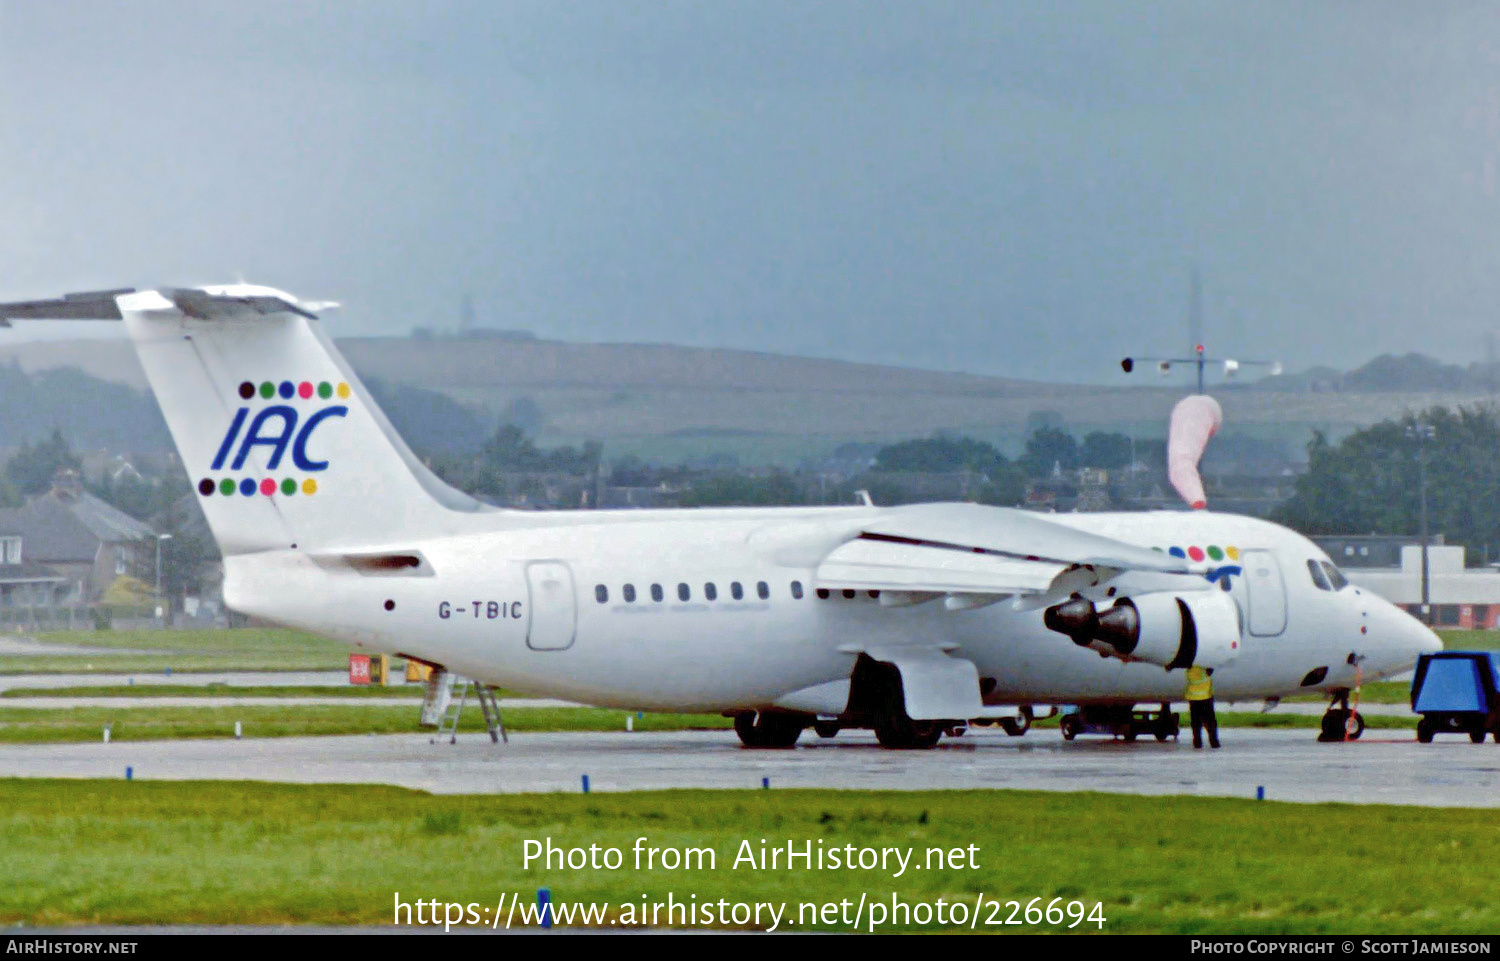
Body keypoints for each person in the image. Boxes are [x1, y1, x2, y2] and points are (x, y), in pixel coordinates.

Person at [1185, 665, 1219, 749]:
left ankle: (1197, 742)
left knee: (1196, 723)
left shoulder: (1190, 671)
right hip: (1206, 699)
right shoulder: (1205, 670)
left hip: (1193, 699)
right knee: (1210, 723)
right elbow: (1210, 671)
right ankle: (1214, 742)